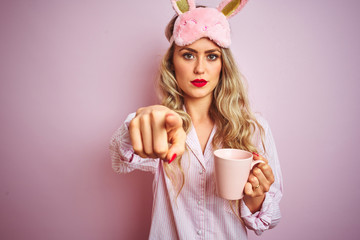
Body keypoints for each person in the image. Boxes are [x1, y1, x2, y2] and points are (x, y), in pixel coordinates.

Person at [109, 0, 283, 239]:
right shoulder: (162, 125)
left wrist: (256, 196)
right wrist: (140, 121)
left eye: (211, 56)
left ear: (223, 64)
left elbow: (268, 221)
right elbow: (121, 155)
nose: (200, 69)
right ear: (172, 62)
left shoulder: (254, 128)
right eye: (188, 55)